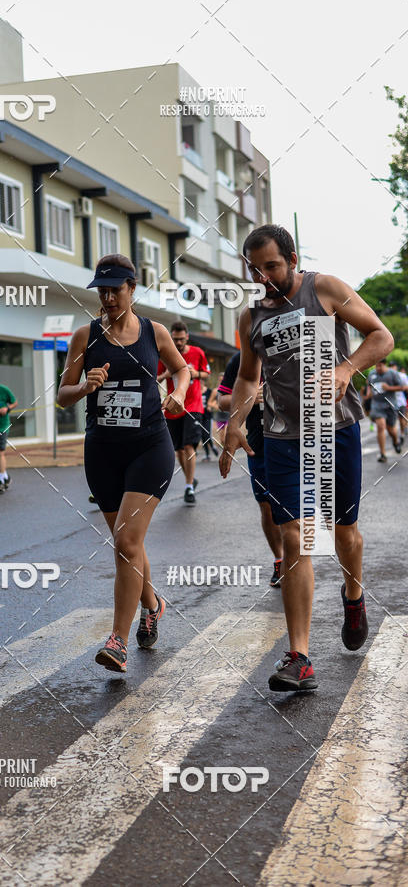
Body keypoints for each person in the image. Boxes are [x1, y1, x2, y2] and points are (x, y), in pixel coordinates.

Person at [219, 224, 393, 693]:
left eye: (271, 266)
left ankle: (353, 596)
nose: (264, 277)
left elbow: (381, 337)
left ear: (292, 259)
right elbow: (248, 379)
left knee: (344, 533)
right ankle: (300, 657)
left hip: (334, 429)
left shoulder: (326, 289)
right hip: (282, 438)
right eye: (254, 269)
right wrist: (234, 424)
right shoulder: (251, 317)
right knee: (295, 538)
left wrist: (345, 368)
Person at [57, 253, 189, 674]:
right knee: (126, 541)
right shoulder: (85, 336)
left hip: (150, 446)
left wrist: (180, 393)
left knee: (126, 544)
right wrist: (84, 386)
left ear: (133, 289)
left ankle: (117, 640)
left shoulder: (155, 331)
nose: (109, 297)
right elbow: (62, 393)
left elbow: (182, 370)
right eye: (103, 290)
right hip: (103, 450)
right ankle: (153, 604)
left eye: (116, 289)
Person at [217, 351, 284, 588]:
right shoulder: (242, 358)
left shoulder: (297, 348)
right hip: (259, 443)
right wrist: (249, 397)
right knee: (267, 507)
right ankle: (280, 559)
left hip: (295, 441)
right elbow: (222, 400)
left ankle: (297, 559)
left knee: (295, 506)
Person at [157, 321, 209, 504]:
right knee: (178, 449)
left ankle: (188, 488)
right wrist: (167, 374)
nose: (178, 342)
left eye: (180, 339)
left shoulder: (197, 352)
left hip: (193, 406)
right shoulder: (165, 354)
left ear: (187, 336)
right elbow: (157, 378)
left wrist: (195, 374)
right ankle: (191, 479)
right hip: (173, 407)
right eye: (175, 339)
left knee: (189, 446)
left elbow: (206, 374)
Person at [365, 359, 404, 461]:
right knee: (381, 426)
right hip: (377, 405)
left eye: (380, 366)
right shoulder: (372, 374)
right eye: (376, 366)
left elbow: (402, 387)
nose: (378, 368)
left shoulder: (392, 374)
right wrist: (368, 394)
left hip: (390, 405)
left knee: (391, 430)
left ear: (384, 365)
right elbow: (369, 386)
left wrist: (388, 388)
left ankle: (396, 441)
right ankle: (383, 454)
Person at [390, 361, 408, 441]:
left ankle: (402, 434)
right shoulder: (388, 376)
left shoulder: (402, 376)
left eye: (393, 366)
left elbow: (406, 387)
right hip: (391, 402)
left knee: (401, 419)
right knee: (392, 421)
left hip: (401, 401)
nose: (392, 367)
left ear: (396, 367)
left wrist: (398, 388)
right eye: (390, 366)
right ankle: (396, 437)